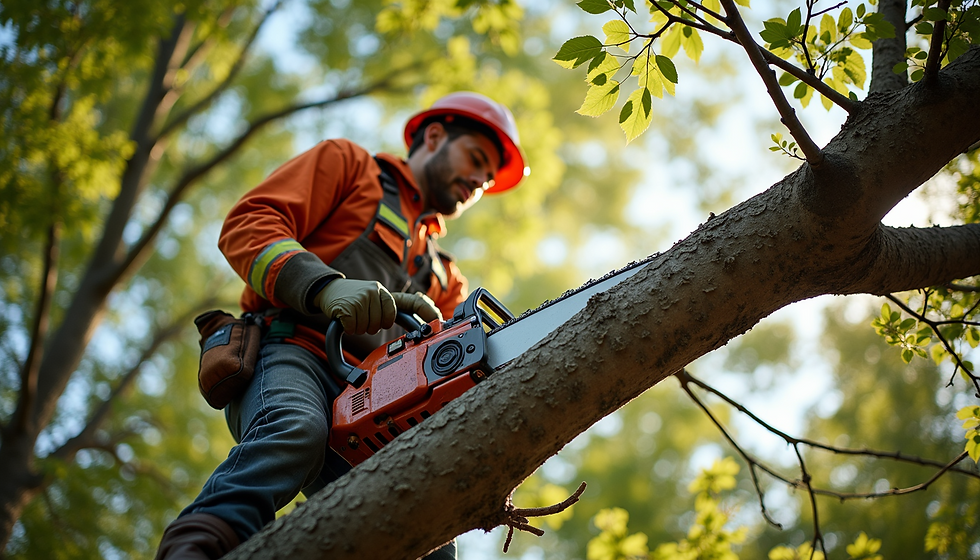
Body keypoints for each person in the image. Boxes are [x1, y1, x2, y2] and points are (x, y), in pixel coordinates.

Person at [154, 92, 529, 559]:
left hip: (379, 408)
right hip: (293, 352)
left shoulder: (445, 278)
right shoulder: (351, 167)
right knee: (295, 428)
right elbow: (250, 224)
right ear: (434, 136)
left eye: (488, 177)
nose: (479, 181)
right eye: (476, 159)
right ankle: (196, 549)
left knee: (432, 539)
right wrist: (324, 287)